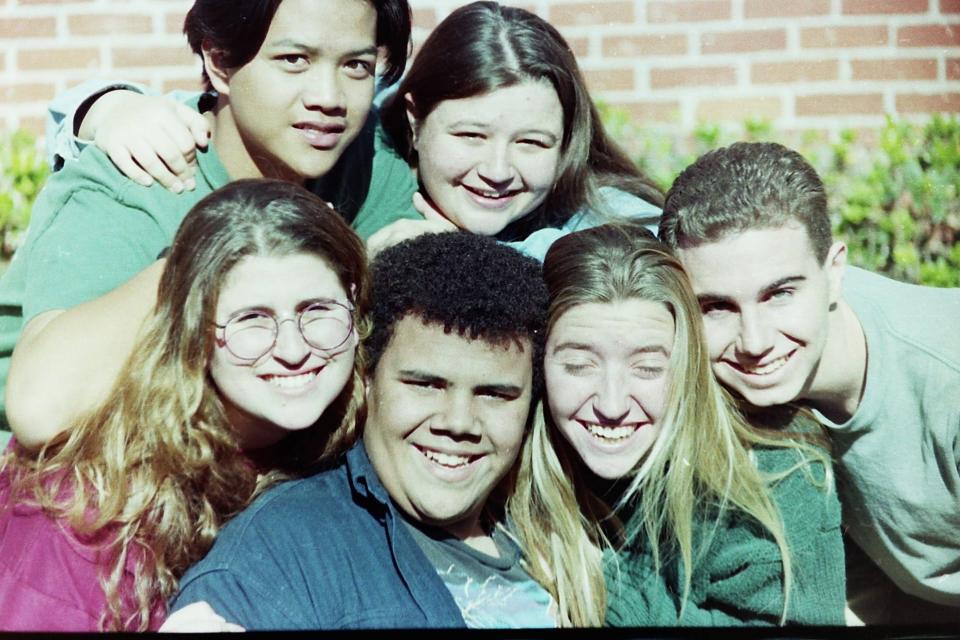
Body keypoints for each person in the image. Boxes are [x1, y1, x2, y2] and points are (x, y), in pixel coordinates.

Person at [0, 0, 413, 445]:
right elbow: (41, 412)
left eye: (356, 65)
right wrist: (225, 255)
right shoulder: (140, 175)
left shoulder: (370, 161)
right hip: (72, 476)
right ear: (218, 64)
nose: (329, 98)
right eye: (294, 60)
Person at [0, 179, 368, 631]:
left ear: (353, 301)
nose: (292, 349)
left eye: (317, 310)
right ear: (193, 327)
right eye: (252, 319)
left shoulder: (366, 437)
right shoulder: (87, 511)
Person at [44, 2, 663, 262]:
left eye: (532, 143)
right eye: (470, 136)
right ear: (415, 120)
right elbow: (237, 107)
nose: (498, 168)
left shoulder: (591, 212)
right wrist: (105, 106)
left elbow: (655, 246)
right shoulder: (367, 134)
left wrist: (493, 259)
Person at [167, 231, 554, 629]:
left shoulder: (557, 534)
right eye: (425, 385)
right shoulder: (277, 559)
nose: (457, 423)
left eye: (494, 395)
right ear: (367, 378)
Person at [657, 141, 960, 623]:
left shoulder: (947, 380)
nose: (754, 342)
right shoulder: (712, 375)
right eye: (717, 307)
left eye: (779, 294)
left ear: (834, 271)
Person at [507, 223, 845, 626]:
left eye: (648, 368)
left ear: (688, 364)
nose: (612, 405)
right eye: (579, 366)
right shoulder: (508, 448)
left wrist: (603, 588)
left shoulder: (777, 474)